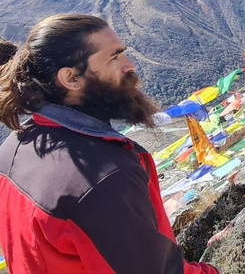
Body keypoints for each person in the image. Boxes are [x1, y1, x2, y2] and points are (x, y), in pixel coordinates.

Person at [0, 14, 219, 274]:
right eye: (114, 57)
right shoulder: (103, 177)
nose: (130, 65)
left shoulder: (13, 149)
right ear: (71, 79)